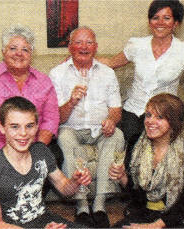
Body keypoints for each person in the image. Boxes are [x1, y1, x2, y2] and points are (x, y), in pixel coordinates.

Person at [98, 0, 184, 147]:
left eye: (166, 18)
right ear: (150, 22)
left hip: (164, 114)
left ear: (176, 23)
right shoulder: (137, 45)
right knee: (130, 150)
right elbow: (111, 63)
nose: (160, 22)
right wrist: (78, 59)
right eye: (155, 18)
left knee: (155, 152)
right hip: (134, 110)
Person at [0, 96, 91, 228]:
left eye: (29, 126)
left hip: (47, 221)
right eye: (15, 127)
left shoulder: (41, 151)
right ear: (2, 128)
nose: (23, 133)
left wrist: (75, 182)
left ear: (36, 127)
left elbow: (64, 189)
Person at [49, 26, 125, 228]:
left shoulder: (107, 73)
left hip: (99, 129)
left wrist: (111, 120)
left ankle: (99, 206)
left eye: (89, 42)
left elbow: (116, 109)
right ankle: (82, 206)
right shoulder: (57, 73)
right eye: (79, 42)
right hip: (70, 128)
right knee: (64, 136)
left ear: (96, 47)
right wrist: (71, 102)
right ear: (70, 47)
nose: (84, 47)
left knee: (117, 134)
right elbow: (57, 117)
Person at [0, 24, 61, 164]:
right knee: (9, 167)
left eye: (25, 49)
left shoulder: (44, 81)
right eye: (13, 48)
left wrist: (38, 148)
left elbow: (51, 120)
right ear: (3, 52)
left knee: (54, 157)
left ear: (31, 54)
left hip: (33, 142)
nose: (19, 53)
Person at [109, 93, 184, 228]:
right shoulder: (135, 144)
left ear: (173, 122)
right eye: (148, 115)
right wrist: (122, 177)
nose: (150, 121)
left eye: (160, 117)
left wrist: (154, 226)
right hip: (146, 212)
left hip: (178, 217)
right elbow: (136, 195)